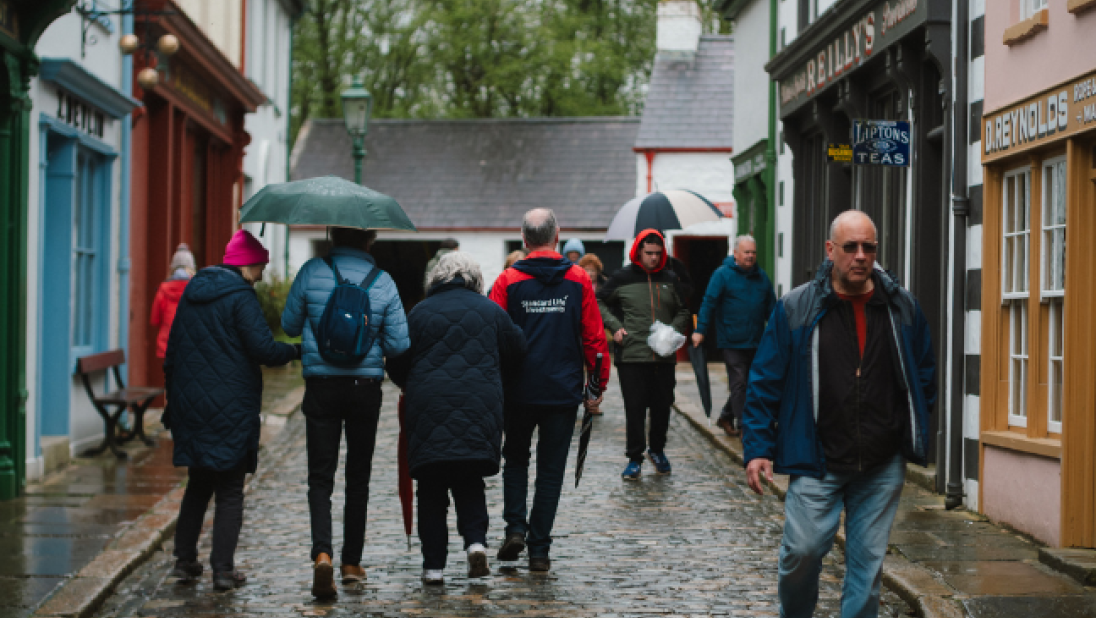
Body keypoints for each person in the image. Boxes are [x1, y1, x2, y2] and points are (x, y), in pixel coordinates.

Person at [743, 211, 936, 618]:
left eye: (869, 247)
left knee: (867, 571)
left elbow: (923, 375)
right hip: (817, 458)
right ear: (831, 251)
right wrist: (758, 447)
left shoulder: (902, 307)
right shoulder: (796, 307)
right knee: (803, 553)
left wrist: (908, 427)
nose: (861, 256)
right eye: (851, 247)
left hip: (881, 463)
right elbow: (764, 380)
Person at [164, 230, 300, 591]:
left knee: (198, 484)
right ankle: (222, 570)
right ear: (248, 264)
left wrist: (173, 399)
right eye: (261, 266)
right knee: (229, 489)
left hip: (191, 405)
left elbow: (173, 351)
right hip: (230, 407)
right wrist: (297, 350)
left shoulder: (193, 293)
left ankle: (184, 561)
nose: (263, 273)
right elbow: (264, 350)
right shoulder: (241, 298)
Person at [281, 227, 410, 599]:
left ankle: (322, 553)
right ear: (370, 241)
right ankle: (352, 563)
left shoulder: (310, 271)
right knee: (359, 477)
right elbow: (399, 343)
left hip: (321, 385)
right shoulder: (383, 281)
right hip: (364, 389)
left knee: (320, 478)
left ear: (332, 236)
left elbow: (289, 325)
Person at [387, 252, 527, 585]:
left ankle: (433, 568)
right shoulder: (491, 311)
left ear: (436, 279)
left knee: (431, 488)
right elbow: (518, 348)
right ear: (475, 280)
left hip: (428, 408)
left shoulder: (418, 314)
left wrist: (409, 382)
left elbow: (395, 360)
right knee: (469, 481)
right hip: (479, 407)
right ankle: (476, 545)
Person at [489, 208, 609, 572]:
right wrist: (596, 385)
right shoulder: (578, 279)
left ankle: (514, 527)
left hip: (518, 390)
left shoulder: (507, 281)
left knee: (515, 460)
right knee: (551, 469)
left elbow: (494, 336)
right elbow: (594, 338)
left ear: (524, 240)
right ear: (557, 237)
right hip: (561, 390)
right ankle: (539, 549)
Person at [598, 230, 690, 479]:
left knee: (662, 406)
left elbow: (684, 309)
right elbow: (599, 301)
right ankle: (634, 458)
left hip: (664, 356)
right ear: (638, 251)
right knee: (635, 408)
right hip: (632, 354)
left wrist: (673, 329)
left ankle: (657, 450)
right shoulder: (622, 278)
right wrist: (615, 327)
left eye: (657, 254)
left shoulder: (670, 278)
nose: (653, 258)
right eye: (649, 253)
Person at [691, 235, 776, 437]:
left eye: (753, 252)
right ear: (736, 253)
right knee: (739, 383)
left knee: (750, 383)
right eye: (746, 252)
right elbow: (709, 302)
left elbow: (771, 308)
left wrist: (777, 333)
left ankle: (726, 416)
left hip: (755, 340)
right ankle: (745, 427)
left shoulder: (761, 277)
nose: (750, 256)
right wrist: (700, 330)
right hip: (731, 340)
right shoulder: (722, 275)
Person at [150, 243, 196, 360]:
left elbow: (155, 320)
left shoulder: (163, 289)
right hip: (191, 342)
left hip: (168, 343)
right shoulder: (196, 288)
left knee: (170, 377)